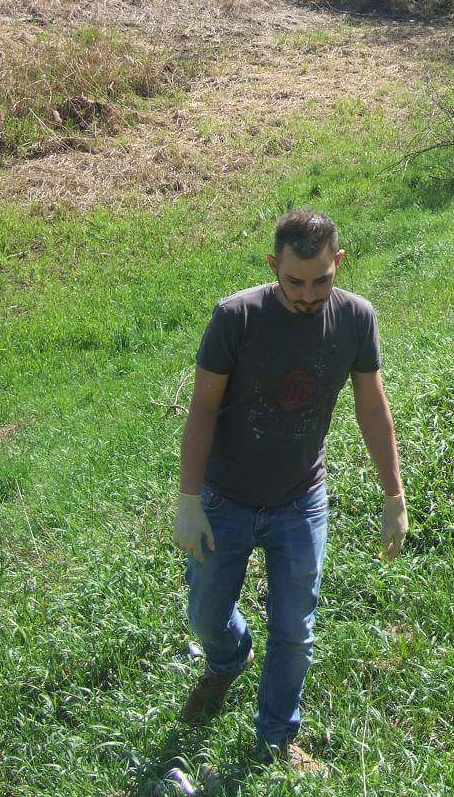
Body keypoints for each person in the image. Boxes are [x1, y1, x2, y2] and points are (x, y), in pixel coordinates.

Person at [172, 209, 408, 774]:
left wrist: (393, 496)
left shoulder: (355, 319)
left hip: (301, 501)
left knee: (294, 631)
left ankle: (276, 736)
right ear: (273, 265)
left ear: (338, 263)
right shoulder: (236, 318)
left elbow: (372, 406)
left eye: (321, 280)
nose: (307, 294)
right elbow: (202, 410)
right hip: (224, 497)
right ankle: (228, 658)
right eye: (294, 281)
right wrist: (187, 500)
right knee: (206, 615)